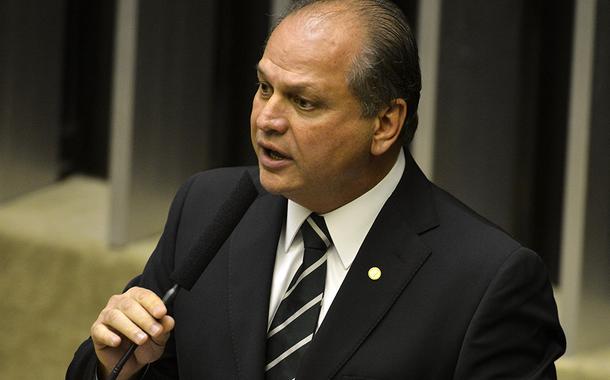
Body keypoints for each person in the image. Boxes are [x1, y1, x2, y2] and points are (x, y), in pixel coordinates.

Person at [67, 0, 566, 379]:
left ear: (385, 123)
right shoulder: (209, 207)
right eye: (264, 88)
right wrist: (118, 368)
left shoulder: (489, 282)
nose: (266, 120)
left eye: (304, 103)